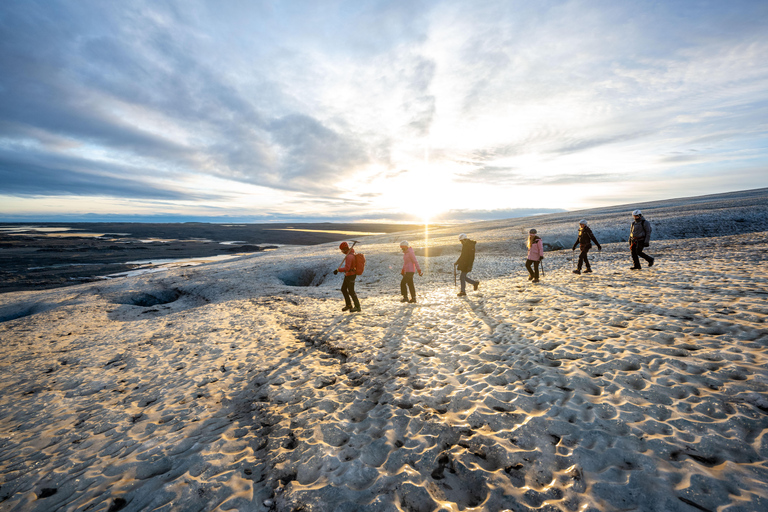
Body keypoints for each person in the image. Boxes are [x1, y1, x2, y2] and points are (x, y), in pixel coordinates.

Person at [334, 241, 361, 312]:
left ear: (345, 249)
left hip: (351, 275)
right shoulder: (351, 254)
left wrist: (338, 270)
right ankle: (349, 305)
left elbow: (347, 268)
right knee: (343, 289)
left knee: (351, 291)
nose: (342, 252)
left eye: (342, 250)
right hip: (348, 275)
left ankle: (357, 306)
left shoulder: (349, 256)